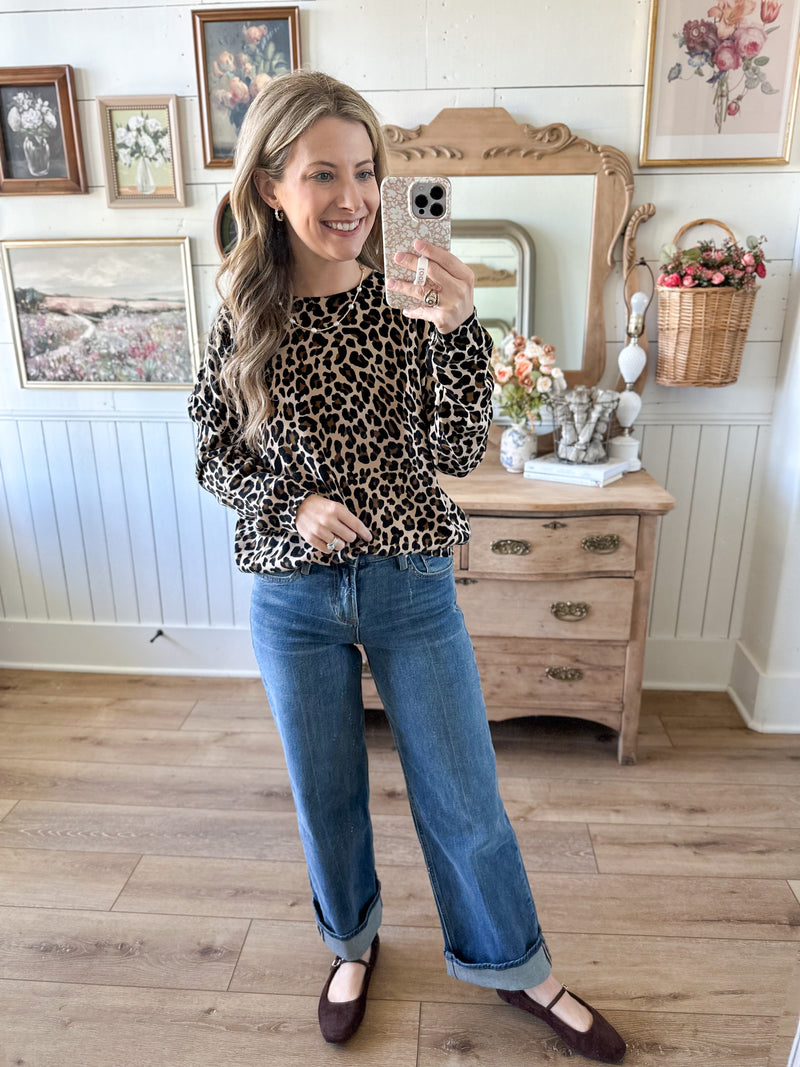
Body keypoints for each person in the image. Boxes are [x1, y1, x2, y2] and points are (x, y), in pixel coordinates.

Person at [188, 69, 626, 1064]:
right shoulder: (240, 313)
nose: (352, 198)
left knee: (462, 793)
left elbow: (445, 451)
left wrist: (457, 331)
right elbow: (212, 452)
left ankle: (516, 964)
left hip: (411, 582)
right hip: (291, 595)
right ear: (268, 185)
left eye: (367, 173)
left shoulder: (410, 294)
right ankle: (350, 943)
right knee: (325, 789)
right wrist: (289, 503)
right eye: (322, 174)